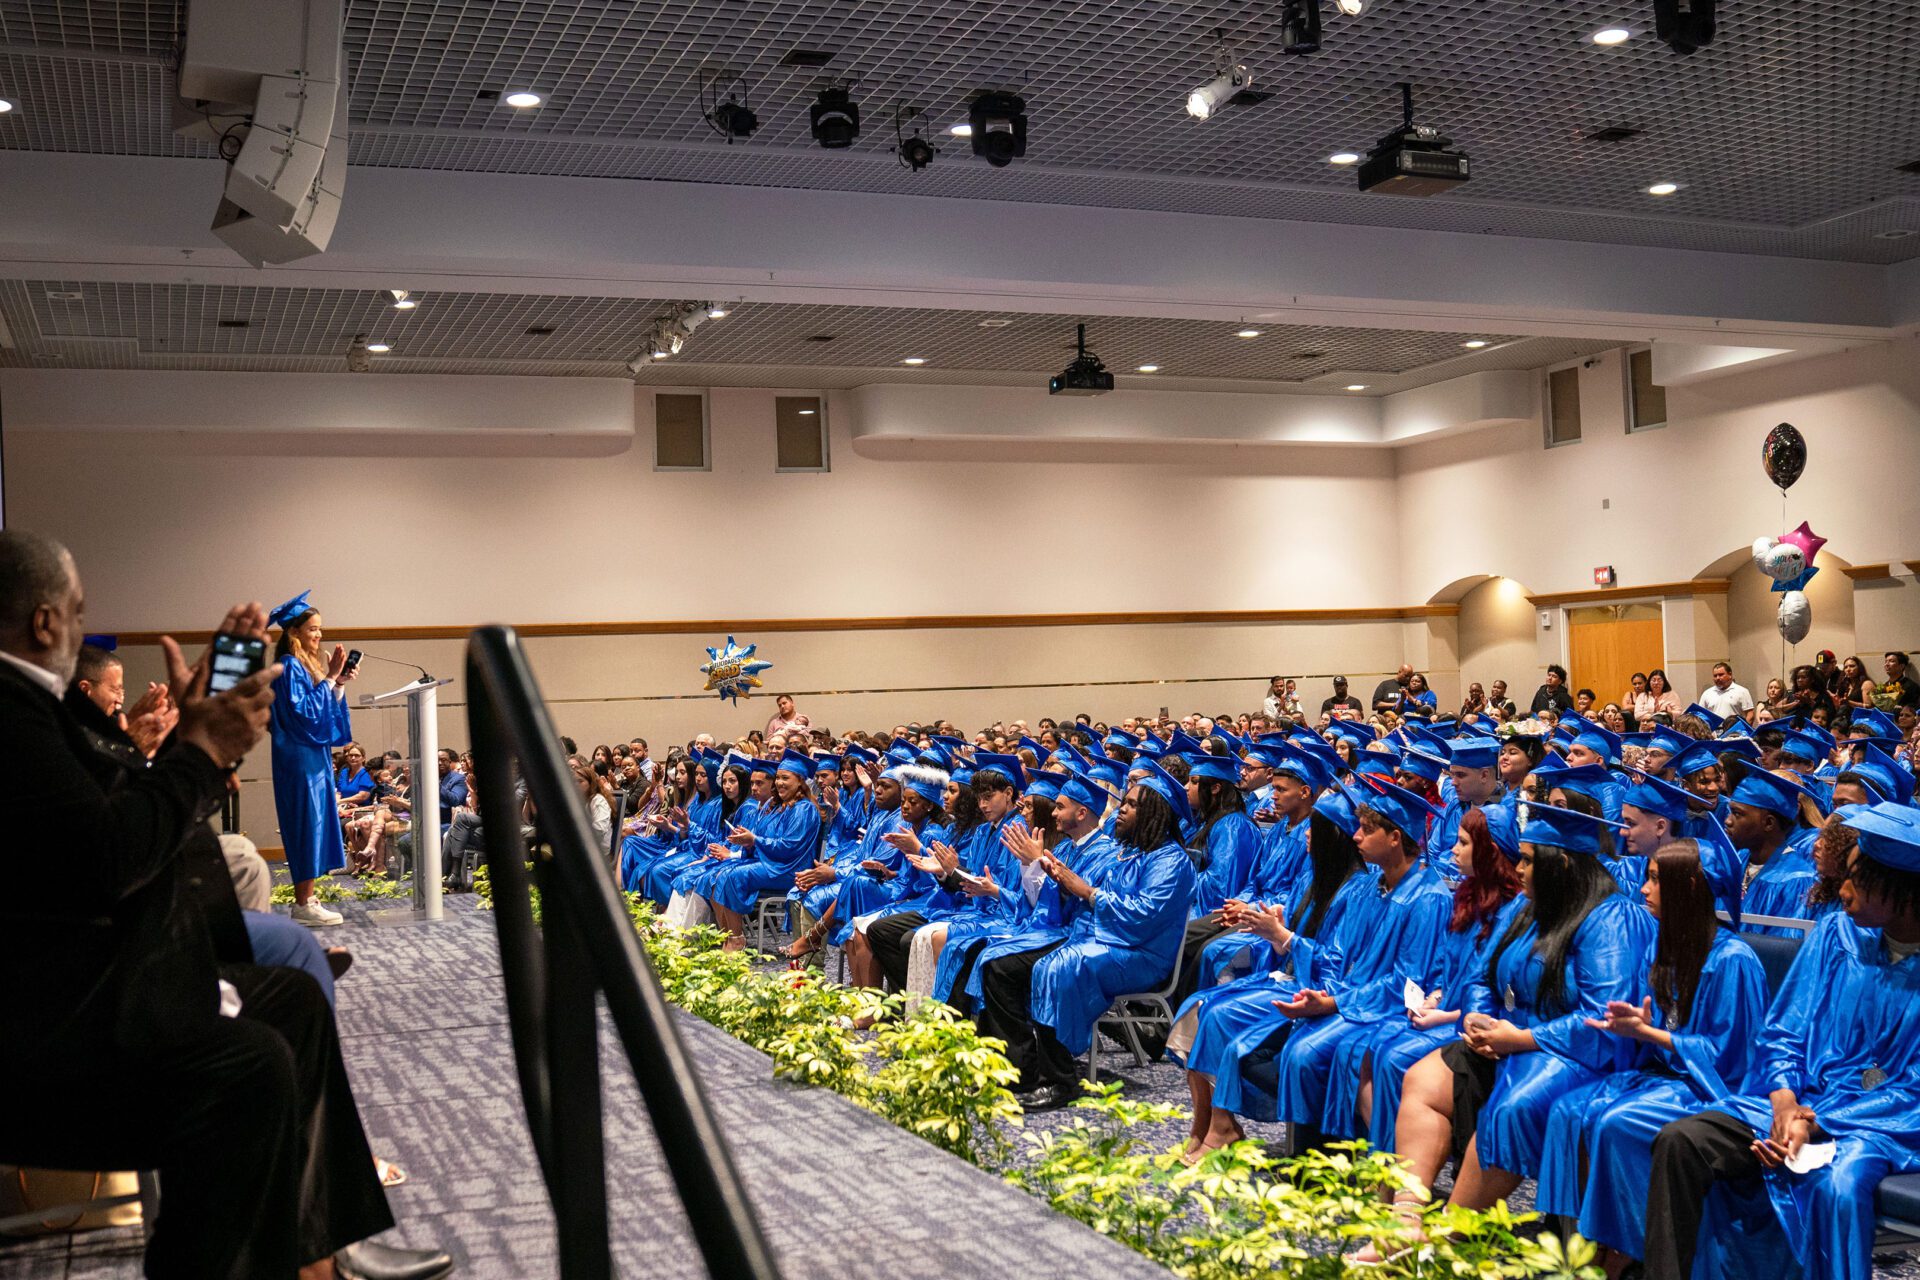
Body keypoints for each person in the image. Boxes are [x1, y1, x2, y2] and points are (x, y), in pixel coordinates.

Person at [0, 530, 451, 1280]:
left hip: (98, 969)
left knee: (295, 999)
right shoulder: (16, 717)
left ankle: (321, 1251)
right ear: (46, 622)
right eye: (78, 612)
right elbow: (107, 858)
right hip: (56, 1013)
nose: (82, 627)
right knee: (253, 1065)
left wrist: (188, 734)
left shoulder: (38, 709)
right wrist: (199, 752)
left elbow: (106, 811)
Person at [1640, 802, 1920, 1280]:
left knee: (1838, 1185)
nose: (1842, 890)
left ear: (1903, 891)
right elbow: (1783, 1031)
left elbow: (1913, 1091)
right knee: (1683, 1140)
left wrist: (1816, 1124)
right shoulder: (1836, 933)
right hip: (1800, 1100)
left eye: (1856, 880)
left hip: (1877, 1125)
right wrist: (1785, 1103)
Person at [1538, 834, 1767, 1273]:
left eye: (1658, 880)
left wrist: (1655, 1036)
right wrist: (1630, 1031)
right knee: (1571, 1110)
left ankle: (1622, 1252)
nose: (1644, 889)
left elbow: (1731, 1060)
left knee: (1616, 1121)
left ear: (1691, 886)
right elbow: (1650, 1032)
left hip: (1710, 1091)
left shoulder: (1733, 960)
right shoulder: (1662, 945)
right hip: (1662, 1076)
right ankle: (1581, 1243)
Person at [976, 779, 1195, 1112]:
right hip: (1098, 938)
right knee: (1000, 965)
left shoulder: (1170, 860)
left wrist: (1086, 892)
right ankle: (1018, 1071)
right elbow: (1083, 897)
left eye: (1132, 805)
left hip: (1141, 952)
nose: (1122, 809)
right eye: (1125, 803)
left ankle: (1060, 1081)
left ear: (1156, 813)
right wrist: (1060, 881)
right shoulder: (1128, 852)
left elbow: (1144, 916)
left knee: (1058, 966)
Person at [269, 592, 361, 927]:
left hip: (312, 755)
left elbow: (321, 713)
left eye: (320, 628)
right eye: (312, 629)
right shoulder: (289, 666)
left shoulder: (303, 665)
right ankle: (303, 903)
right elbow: (305, 713)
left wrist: (337, 684)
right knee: (306, 825)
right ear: (294, 632)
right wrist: (330, 678)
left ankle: (307, 898)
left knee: (316, 823)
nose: (319, 635)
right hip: (299, 759)